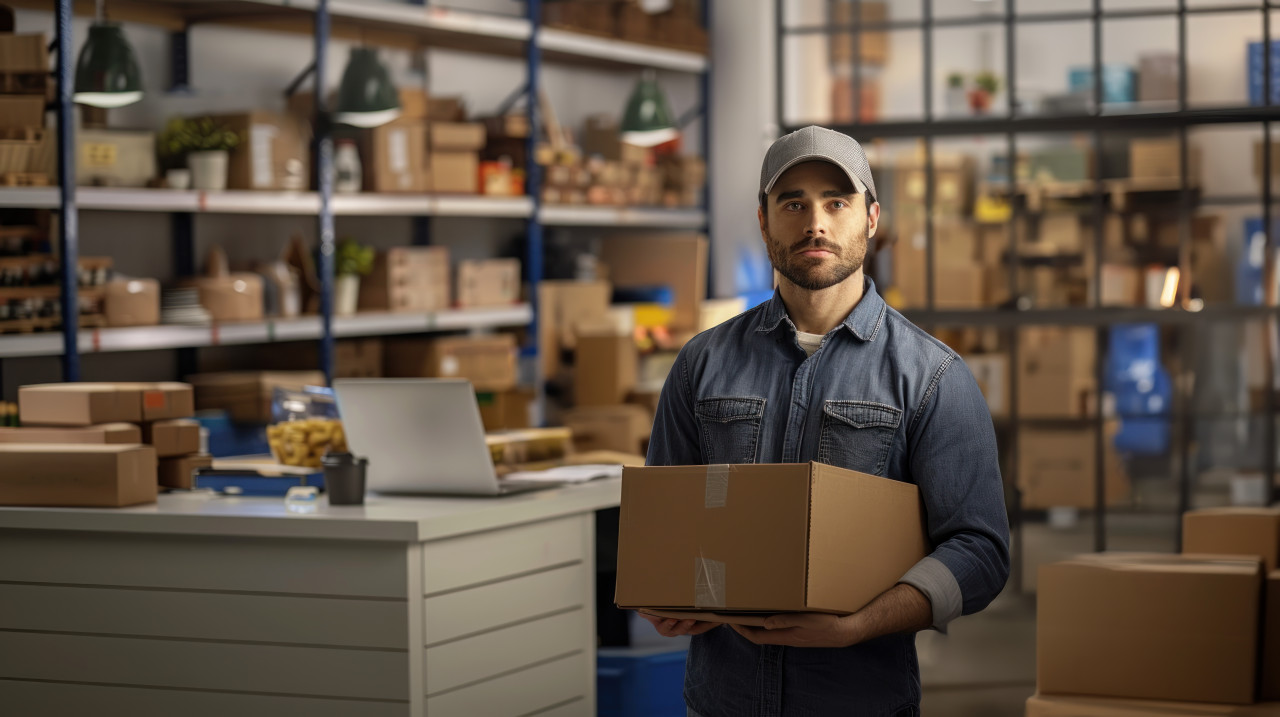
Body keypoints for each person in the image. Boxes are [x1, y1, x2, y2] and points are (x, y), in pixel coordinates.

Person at [639, 125, 1011, 717]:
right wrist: (666, 595)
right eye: (793, 203)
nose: (815, 222)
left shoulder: (933, 377)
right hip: (720, 703)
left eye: (837, 202)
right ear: (763, 221)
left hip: (858, 702)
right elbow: (669, 527)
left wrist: (862, 624)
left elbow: (980, 551)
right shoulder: (699, 364)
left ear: (870, 219)